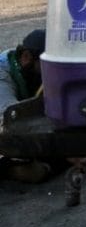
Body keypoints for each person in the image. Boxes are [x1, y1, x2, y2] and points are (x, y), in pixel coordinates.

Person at [1, 29, 51, 182]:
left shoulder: (19, 61)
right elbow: (12, 122)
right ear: (26, 57)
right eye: (45, 65)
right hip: (5, 123)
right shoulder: (3, 77)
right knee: (38, 173)